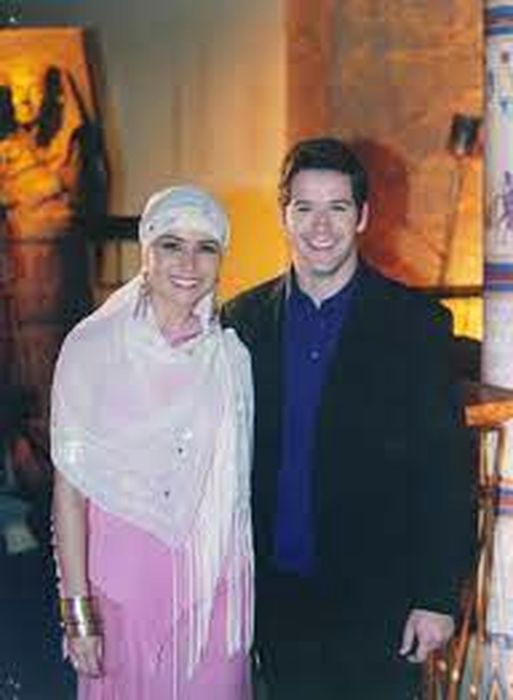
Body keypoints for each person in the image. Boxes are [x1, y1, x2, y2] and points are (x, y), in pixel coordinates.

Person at [222, 137, 474, 699]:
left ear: (362, 216)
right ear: (284, 215)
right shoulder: (241, 322)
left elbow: (446, 473)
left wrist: (437, 597)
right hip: (277, 602)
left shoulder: (415, 325)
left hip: (380, 603)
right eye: (304, 207)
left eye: (337, 207)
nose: (320, 226)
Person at [51, 186, 254, 700]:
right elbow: (69, 493)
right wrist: (77, 612)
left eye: (206, 247)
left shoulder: (232, 358)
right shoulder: (92, 349)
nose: (189, 262)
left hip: (214, 597)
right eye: (171, 244)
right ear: (147, 251)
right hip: (120, 596)